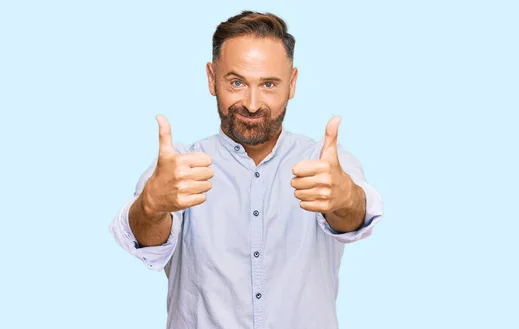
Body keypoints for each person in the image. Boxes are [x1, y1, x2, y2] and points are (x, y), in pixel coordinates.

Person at [110, 10, 384, 329]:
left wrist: (346, 198)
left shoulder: (323, 162)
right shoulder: (180, 167)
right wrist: (151, 206)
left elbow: (354, 216)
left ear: (292, 83)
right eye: (237, 82)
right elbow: (146, 239)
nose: (252, 104)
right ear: (212, 78)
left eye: (269, 84)